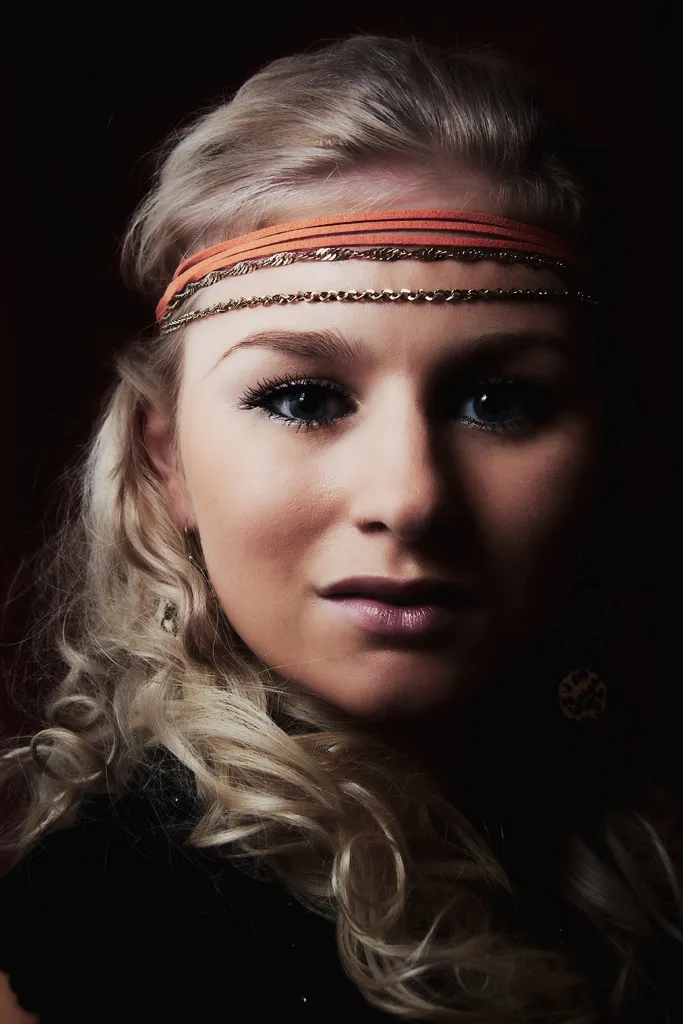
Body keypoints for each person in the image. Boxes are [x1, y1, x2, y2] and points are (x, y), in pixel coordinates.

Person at [0, 34, 681, 1024]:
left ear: (606, 441)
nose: (408, 498)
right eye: (302, 397)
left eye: (499, 400)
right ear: (166, 456)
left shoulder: (625, 849)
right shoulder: (89, 944)